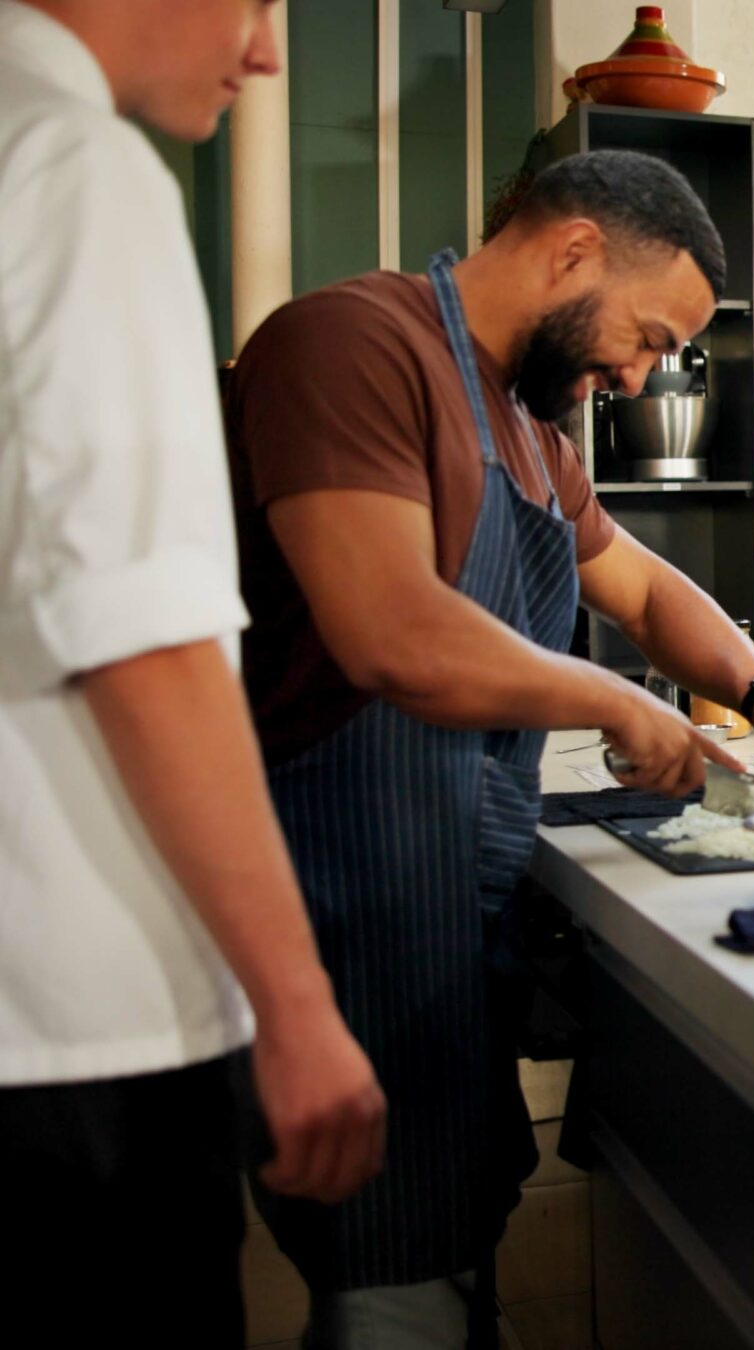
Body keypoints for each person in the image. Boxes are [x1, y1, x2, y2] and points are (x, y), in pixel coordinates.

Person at [223, 150, 754, 1343]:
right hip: (345, 911)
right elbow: (391, 632)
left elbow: (649, 590)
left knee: (445, 1243)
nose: (640, 373)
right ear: (570, 251)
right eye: (649, 336)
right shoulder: (352, 344)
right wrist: (618, 706)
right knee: (388, 1276)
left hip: (452, 903)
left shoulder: (525, 426)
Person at [0, 0, 385, 1342]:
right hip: (75, 1042)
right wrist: (293, 1002)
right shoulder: (75, 165)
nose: (271, 50)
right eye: (258, 0)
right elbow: (146, 636)